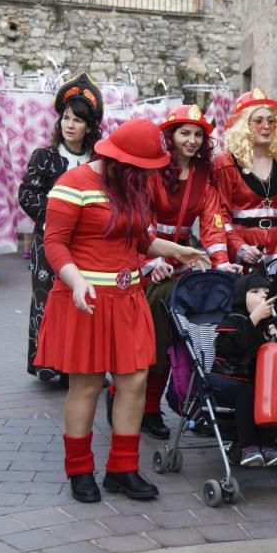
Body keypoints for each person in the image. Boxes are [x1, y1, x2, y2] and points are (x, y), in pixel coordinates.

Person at [37, 118, 210, 503]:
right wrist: (77, 280)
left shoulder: (132, 186)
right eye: (143, 170)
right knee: (86, 385)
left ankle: (123, 469)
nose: (148, 177)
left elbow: (141, 237)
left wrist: (177, 250)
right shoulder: (73, 184)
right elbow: (55, 244)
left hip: (127, 297)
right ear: (120, 161)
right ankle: (80, 470)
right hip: (86, 301)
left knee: (133, 381)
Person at [136, 104, 238, 439]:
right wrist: (154, 260)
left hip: (178, 263)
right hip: (145, 259)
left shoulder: (203, 176)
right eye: (185, 133)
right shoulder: (153, 171)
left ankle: (152, 409)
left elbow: (212, 224)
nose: (192, 140)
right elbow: (141, 220)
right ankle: (124, 401)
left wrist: (221, 263)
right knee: (146, 340)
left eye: (198, 135)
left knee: (173, 338)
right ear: (170, 136)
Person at [18, 72, 103, 383]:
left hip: (88, 244)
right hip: (50, 242)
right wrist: (60, 215)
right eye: (66, 118)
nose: (70, 125)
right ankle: (49, 362)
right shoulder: (45, 157)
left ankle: (81, 363)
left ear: (89, 127)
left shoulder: (98, 160)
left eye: (77, 120)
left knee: (83, 298)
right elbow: (27, 194)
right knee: (48, 298)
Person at [214, 89, 277, 268]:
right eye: (258, 120)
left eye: (271, 121)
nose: (266, 126)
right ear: (244, 125)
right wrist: (240, 248)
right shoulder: (226, 164)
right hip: (241, 253)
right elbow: (220, 216)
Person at [210, 271, 277, 468]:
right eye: (255, 291)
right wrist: (252, 320)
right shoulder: (233, 320)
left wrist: (274, 337)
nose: (263, 295)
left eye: (266, 292)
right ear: (240, 298)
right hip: (229, 377)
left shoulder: (270, 325)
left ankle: (269, 445)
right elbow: (231, 348)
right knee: (248, 391)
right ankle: (247, 446)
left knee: (275, 392)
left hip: (260, 383)